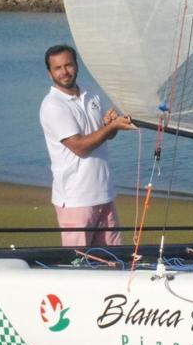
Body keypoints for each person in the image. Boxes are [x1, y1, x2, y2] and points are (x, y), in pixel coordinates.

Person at [38, 44, 135, 247]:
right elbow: (79, 147)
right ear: (50, 73)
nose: (64, 72)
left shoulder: (91, 93)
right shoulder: (53, 105)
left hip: (104, 192)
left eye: (68, 65)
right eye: (58, 68)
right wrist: (110, 128)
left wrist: (109, 125)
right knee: (79, 264)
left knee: (113, 260)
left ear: (76, 66)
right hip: (75, 198)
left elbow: (104, 136)